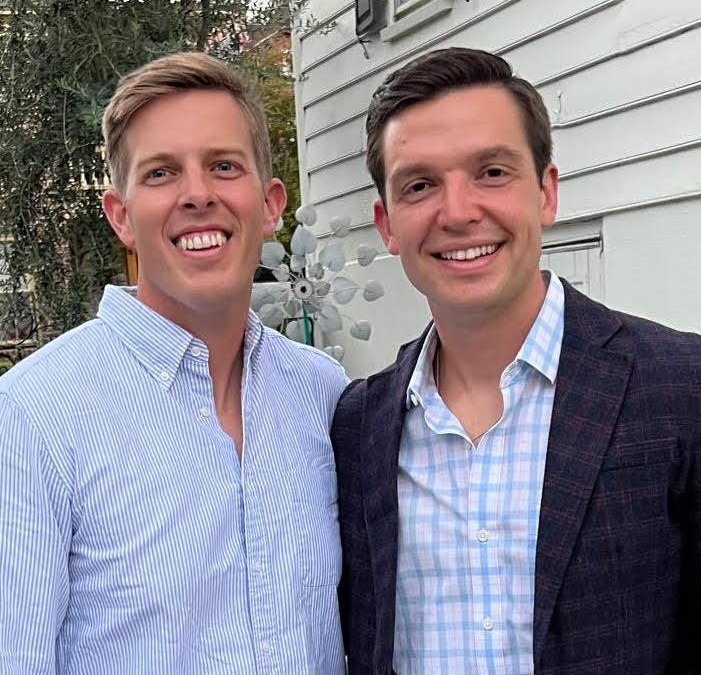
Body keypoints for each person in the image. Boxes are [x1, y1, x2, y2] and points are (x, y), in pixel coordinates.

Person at [331, 47, 701, 675]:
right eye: (420, 185)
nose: (458, 212)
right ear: (387, 225)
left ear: (546, 192)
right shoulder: (358, 427)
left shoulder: (679, 388)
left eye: (492, 172)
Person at [0, 52, 347, 674]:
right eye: (161, 173)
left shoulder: (322, 394)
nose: (197, 194)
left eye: (223, 166)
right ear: (121, 217)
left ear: (270, 204)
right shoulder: (35, 415)